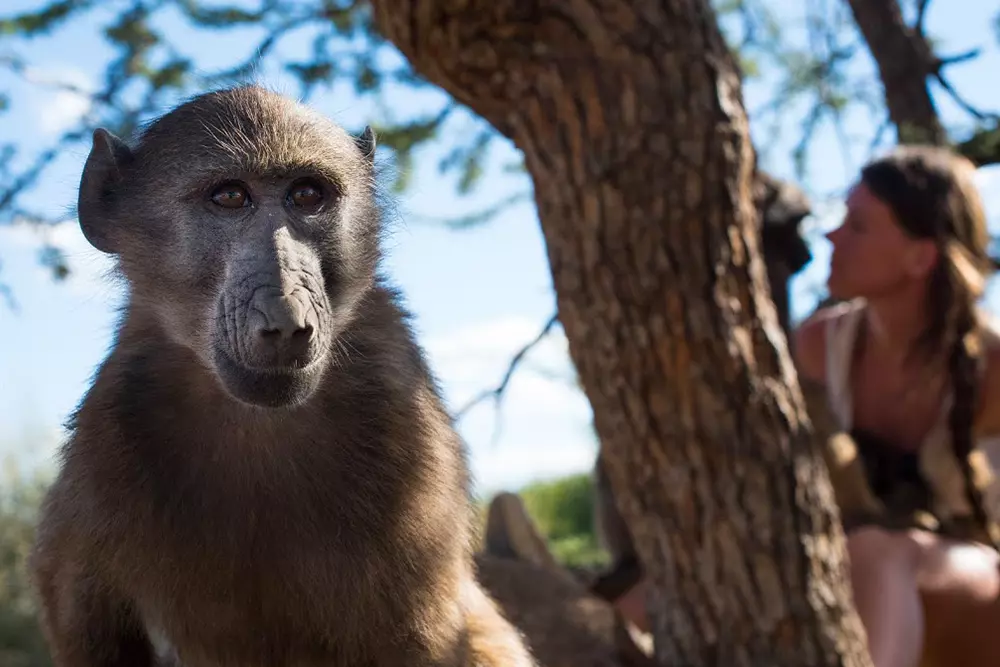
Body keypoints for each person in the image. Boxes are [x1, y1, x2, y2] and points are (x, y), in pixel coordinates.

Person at [613, 145, 1000, 667]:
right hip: (849, 562)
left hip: (976, 587)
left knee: (879, 554)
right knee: (654, 594)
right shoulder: (823, 345)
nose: (832, 235)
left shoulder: (990, 365)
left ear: (920, 256)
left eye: (859, 226)